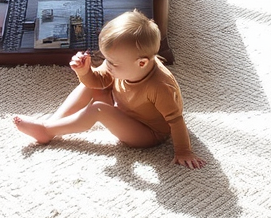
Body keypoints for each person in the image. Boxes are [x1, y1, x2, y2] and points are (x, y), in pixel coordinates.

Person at [13, 10, 205, 168]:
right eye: (106, 59)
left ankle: (47, 131)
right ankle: (53, 124)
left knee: (99, 109)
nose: (107, 64)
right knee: (87, 84)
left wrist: (183, 151)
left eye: (112, 62)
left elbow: (176, 120)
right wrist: (84, 71)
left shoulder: (160, 86)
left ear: (141, 63)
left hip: (147, 133)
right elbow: (97, 80)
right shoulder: (124, 64)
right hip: (122, 106)